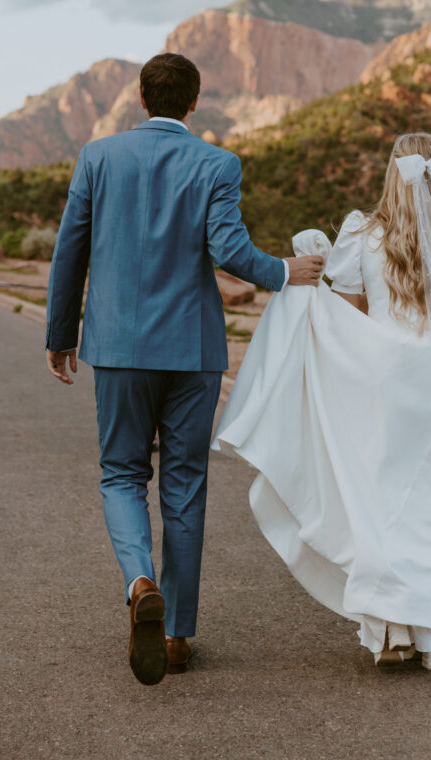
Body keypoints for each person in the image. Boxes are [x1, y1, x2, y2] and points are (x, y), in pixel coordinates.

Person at [45, 52, 323, 685]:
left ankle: (140, 580)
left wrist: (62, 334)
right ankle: (176, 636)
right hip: (192, 352)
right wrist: (283, 272)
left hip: (115, 348)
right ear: (194, 103)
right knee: (185, 484)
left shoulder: (97, 158)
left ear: (141, 99)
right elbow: (227, 248)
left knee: (120, 473)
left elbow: (70, 251)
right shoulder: (217, 163)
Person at [213, 131, 431, 669]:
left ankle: (386, 631)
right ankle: (425, 634)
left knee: (376, 501)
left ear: (392, 174)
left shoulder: (363, 235)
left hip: (379, 388)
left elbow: (343, 317)